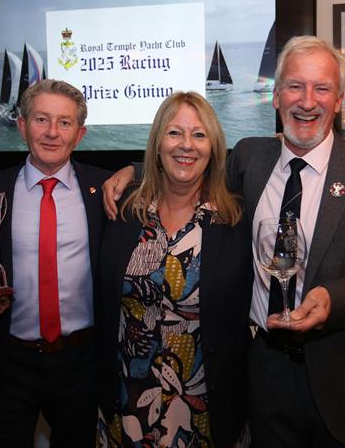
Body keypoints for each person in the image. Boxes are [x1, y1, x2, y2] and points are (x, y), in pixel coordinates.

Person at [104, 36, 345, 447]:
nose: (307, 101)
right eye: (295, 86)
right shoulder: (251, 158)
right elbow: (189, 166)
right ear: (276, 96)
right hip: (262, 374)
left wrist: (334, 299)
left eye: (321, 88)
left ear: (338, 100)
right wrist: (132, 172)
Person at [97, 91, 252, 447]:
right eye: (174, 133)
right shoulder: (123, 212)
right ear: (156, 144)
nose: (187, 145)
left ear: (213, 147)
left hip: (204, 406)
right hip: (128, 397)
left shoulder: (234, 219)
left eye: (199, 135)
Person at [0, 79, 109, 448]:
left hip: (83, 362)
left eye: (64, 123)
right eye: (41, 119)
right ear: (21, 125)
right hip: (9, 361)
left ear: (79, 134)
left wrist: (131, 169)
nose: (51, 133)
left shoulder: (106, 190)